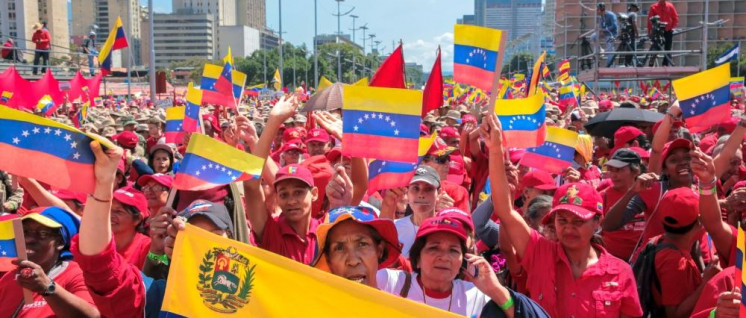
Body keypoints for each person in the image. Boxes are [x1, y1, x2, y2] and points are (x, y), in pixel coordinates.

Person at [483, 112, 643, 317]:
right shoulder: (540, 253)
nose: (568, 228)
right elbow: (505, 211)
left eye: (578, 221)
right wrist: (495, 148)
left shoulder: (620, 272)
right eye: (562, 220)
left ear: (597, 222)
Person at [377, 215, 549, 317]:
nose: (444, 257)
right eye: (434, 248)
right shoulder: (388, 282)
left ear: (463, 260)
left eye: (453, 250)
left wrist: (495, 289)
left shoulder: (476, 296)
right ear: (417, 258)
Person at [0, 207, 100, 318]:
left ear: (60, 242)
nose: (28, 239)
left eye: (42, 233)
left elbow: (92, 315)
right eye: (25, 231)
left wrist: (47, 288)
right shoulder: (10, 277)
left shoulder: (76, 274)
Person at [648, 188, 719, 318]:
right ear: (699, 220)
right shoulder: (673, 261)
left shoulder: (659, 241)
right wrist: (707, 282)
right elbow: (675, 315)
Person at [312, 205, 401, 288]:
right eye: (339, 248)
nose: (353, 261)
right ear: (328, 259)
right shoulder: (309, 304)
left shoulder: (397, 305)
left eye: (362, 244)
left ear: (379, 251)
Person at [647, 0, 678, 66]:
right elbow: (650, 21)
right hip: (657, 31)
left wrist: (673, 28)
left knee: (667, 48)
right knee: (656, 48)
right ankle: (651, 62)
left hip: (668, 30)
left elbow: (675, 18)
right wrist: (650, 32)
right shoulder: (653, 7)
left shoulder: (670, 6)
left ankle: (665, 65)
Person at [592, 3, 619, 67]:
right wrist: (600, 30)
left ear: (602, 9)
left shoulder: (611, 15)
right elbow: (602, 26)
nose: (596, 11)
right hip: (605, 33)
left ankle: (609, 65)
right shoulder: (601, 16)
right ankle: (600, 50)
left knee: (610, 50)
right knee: (593, 37)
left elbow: (614, 26)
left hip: (611, 34)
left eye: (598, 9)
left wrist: (605, 29)